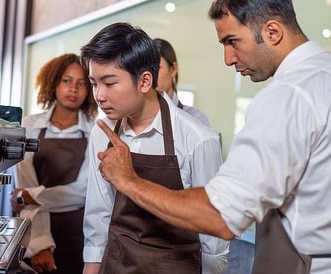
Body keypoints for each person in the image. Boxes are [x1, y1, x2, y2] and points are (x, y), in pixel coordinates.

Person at [96, 1, 331, 274]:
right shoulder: (322, 76)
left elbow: (220, 215)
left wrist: (129, 180)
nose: (228, 58)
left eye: (232, 41)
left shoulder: (289, 95)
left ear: (273, 32)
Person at [80, 22, 229, 274]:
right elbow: (98, 216)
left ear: (145, 81)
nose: (99, 96)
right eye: (94, 83)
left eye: (109, 83)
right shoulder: (101, 132)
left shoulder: (199, 139)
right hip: (117, 265)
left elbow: (213, 240)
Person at [10, 53, 98, 274]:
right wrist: (39, 245)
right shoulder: (28, 126)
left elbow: (83, 192)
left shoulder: (96, 132)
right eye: (66, 81)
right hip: (31, 231)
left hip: (76, 232)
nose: (73, 89)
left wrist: (31, 197)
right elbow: (25, 183)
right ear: (54, 83)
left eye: (82, 83)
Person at [153, 38, 211, 126]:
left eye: (156, 68)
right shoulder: (135, 120)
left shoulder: (196, 120)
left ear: (173, 69)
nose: (150, 76)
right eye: (146, 69)